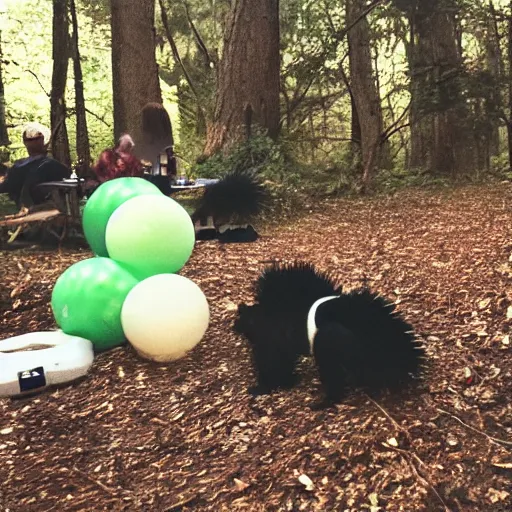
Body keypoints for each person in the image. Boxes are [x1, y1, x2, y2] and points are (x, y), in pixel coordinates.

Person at [0, 122, 70, 209]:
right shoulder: (53, 166)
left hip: (28, 215)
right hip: (44, 216)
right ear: (45, 142)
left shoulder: (15, 168)